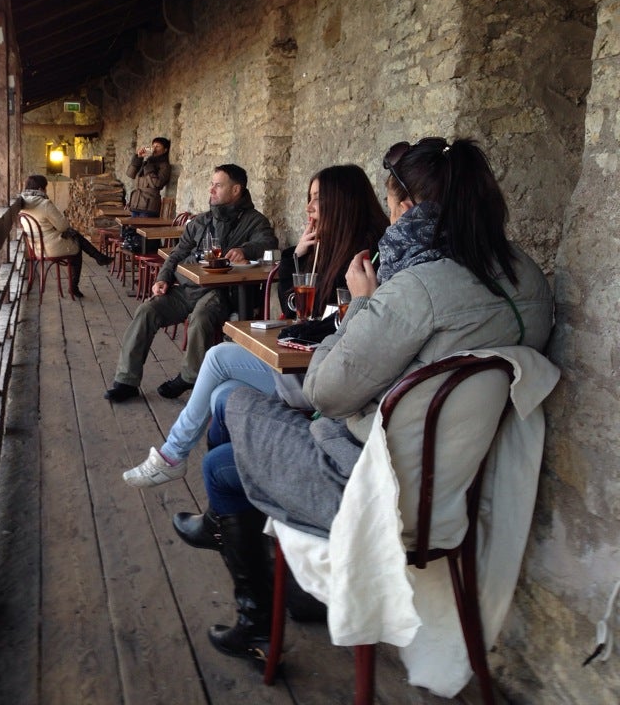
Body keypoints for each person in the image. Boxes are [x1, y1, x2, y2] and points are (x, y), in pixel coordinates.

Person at [172, 138, 555, 667]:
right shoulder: (529, 279)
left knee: (222, 452)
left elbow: (324, 391)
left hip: (373, 488)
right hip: (453, 484)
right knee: (237, 417)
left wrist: (361, 307)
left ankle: (258, 620)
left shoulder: (417, 286)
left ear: (406, 208)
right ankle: (292, 586)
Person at [121, 164, 387, 488]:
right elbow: (295, 309)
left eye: (318, 198)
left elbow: (340, 325)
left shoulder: (366, 260)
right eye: (309, 197)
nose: (309, 207)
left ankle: (173, 456)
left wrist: (257, 254)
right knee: (220, 394)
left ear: (343, 202)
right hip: (305, 361)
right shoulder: (324, 250)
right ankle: (224, 501)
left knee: (218, 356)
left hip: (320, 377)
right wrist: (297, 255)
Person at [103, 164, 278, 403]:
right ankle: (126, 380)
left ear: (236, 189)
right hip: (188, 288)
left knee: (201, 317)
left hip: (221, 292)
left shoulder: (254, 221)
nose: (211, 189)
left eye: (218, 185)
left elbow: (268, 242)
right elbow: (176, 254)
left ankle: (189, 376)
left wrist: (245, 249)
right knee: (147, 310)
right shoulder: (201, 222)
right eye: (212, 184)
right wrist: (163, 278)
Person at [19, 174, 113, 298]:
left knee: (75, 236)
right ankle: (75, 286)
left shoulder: (22, 204)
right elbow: (63, 226)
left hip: (36, 248)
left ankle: (99, 257)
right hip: (50, 247)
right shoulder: (44, 204)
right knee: (76, 245)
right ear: (41, 189)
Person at [127, 137, 171, 217]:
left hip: (149, 206)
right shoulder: (147, 162)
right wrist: (138, 158)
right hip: (136, 204)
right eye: (153, 146)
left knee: (141, 229)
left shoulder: (164, 166)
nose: (154, 148)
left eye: (157, 146)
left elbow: (157, 184)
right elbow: (130, 174)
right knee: (130, 228)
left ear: (165, 150)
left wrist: (149, 167)